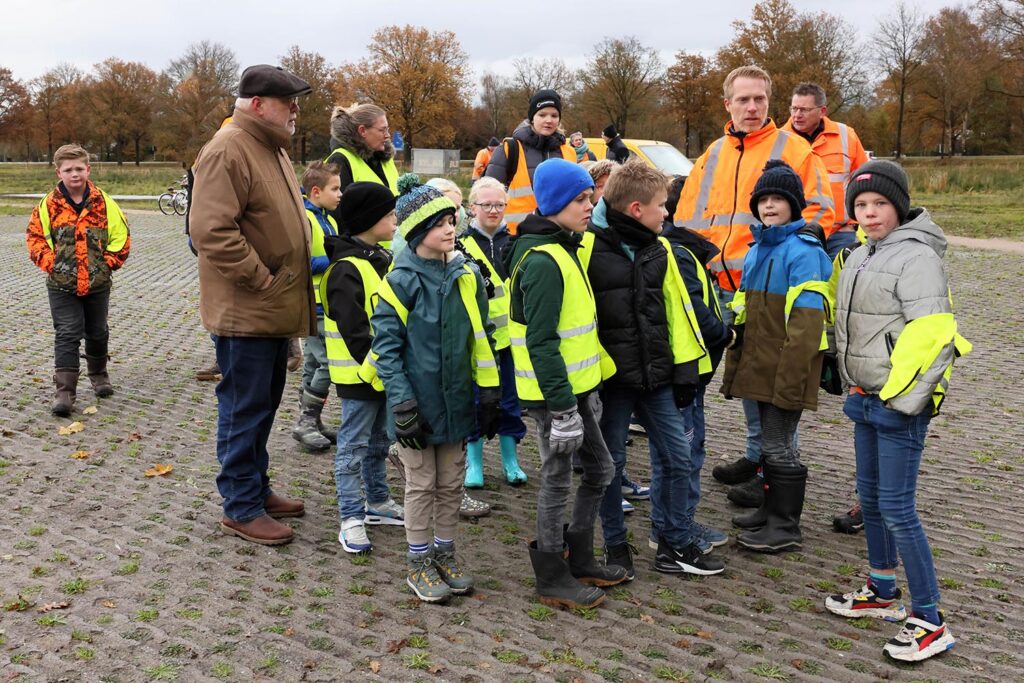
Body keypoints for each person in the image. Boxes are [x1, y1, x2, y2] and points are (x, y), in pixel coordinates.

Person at [826, 159, 969, 662]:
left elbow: (934, 340)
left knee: (899, 509)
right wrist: (846, 379)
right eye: (860, 205)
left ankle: (930, 618)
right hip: (864, 399)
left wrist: (901, 402)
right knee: (871, 498)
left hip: (898, 407)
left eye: (879, 204)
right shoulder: (863, 253)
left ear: (899, 205)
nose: (868, 213)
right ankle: (882, 592)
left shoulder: (917, 257)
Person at [673, 65, 834, 511]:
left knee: (772, 377)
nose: (752, 107)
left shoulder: (795, 150)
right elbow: (687, 219)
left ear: (769, 101)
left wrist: (786, 258)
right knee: (747, 377)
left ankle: (772, 463)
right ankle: (754, 452)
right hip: (717, 287)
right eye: (743, 99)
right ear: (727, 104)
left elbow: (820, 213)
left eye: (760, 99)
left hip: (770, 288)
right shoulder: (711, 155)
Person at [189, 64, 315, 546]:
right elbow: (212, 232)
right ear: (258, 104)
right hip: (249, 310)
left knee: (262, 407)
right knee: (244, 408)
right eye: (289, 102)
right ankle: (240, 506)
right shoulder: (228, 148)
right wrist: (262, 280)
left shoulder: (270, 147)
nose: (296, 111)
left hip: (270, 309)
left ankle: (256, 489)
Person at [583, 161, 724, 578]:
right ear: (636, 208)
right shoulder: (588, 250)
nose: (668, 213)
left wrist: (685, 375)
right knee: (611, 466)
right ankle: (614, 545)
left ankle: (674, 543)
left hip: (658, 380)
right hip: (613, 385)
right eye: (661, 205)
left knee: (679, 458)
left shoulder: (660, 249)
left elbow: (678, 318)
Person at [365, 182, 500, 603]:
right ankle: (418, 561)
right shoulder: (400, 282)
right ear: (417, 230)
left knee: (451, 483)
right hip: (417, 406)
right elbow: (386, 350)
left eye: (451, 221)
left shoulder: (465, 275)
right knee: (421, 484)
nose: (450, 229)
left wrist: (490, 393)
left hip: (456, 401)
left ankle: (446, 552)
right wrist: (403, 403)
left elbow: (482, 338)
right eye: (440, 223)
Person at [504, 158, 627, 610]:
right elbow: (541, 342)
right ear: (555, 203)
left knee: (601, 470)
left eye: (589, 196)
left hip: (575, 391)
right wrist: (562, 410)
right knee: (556, 480)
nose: (589, 204)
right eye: (580, 199)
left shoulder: (564, 246)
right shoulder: (542, 260)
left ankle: (579, 556)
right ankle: (552, 573)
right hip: (555, 397)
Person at [720, 160, 832, 553]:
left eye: (778, 199)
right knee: (770, 443)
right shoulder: (757, 249)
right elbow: (746, 310)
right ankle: (769, 509)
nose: (769, 206)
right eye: (763, 199)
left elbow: (806, 327)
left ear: (794, 205)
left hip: (787, 368)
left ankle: (785, 526)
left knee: (778, 443)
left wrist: (792, 376)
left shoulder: (804, 252)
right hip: (761, 365)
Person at [320, 181, 405, 554]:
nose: (395, 219)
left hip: (382, 374)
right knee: (353, 447)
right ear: (370, 221)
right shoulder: (345, 270)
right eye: (389, 214)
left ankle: (378, 502)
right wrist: (382, 365)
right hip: (359, 377)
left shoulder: (379, 258)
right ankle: (351, 516)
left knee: (378, 443)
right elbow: (355, 333)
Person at [26, 143, 131, 416]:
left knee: (97, 331)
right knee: (68, 333)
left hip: (97, 283)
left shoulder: (104, 202)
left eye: (79, 169)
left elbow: (121, 236)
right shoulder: (48, 205)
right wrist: (52, 265)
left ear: (88, 169)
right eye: (68, 169)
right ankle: (65, 392)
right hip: (62, 285)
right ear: (58, 172)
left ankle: (99, 375)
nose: (75, 174)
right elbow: (35, 238)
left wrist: (107, 265)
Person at [660, 174, 734, 552]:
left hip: (692, 371)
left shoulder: (685, 248)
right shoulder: (678, 251)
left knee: (685, 450)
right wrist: (725, 331)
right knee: (682, 454)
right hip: (684, 371)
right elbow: (693, 310)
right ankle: (674, 527)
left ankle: (675, 522)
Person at [460, 177, 529, 489]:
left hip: (512, 342)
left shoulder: (515, 244)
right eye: (486, 204)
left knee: (511, 401)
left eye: (499, 204)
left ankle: (510, 461)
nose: (493, 210)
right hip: (476, 342)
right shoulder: (459, 245)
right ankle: (474, 464)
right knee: (475, 401)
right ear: (472, 207)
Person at [781, 83, 870, 260]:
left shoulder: (846, 135)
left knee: (840, 285)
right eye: (794, 108)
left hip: (840, 234)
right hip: (795, 234)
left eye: (804, 110)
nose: (797, 115)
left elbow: (864, 181)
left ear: (822, 111)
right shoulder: (779, 140)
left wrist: (853, 224)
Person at [291, 161, 342, 452]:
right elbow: (303, 264)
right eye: (334, 189)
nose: (340, 194)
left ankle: (312, 420)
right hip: (315, 305)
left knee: (313, 362)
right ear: (315, 191)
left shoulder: (328, 218)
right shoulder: (307, 221)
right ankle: (306, 421)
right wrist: (336, 257)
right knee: (328, 364)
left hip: (327, 304)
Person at [485, 89, 577, 233]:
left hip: (559, 236)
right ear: (532, 117)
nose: (549, 120)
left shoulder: (569, 153)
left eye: (554, 115)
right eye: (542, 114)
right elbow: (487, 195)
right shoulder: (510, 149)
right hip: (516, 237)